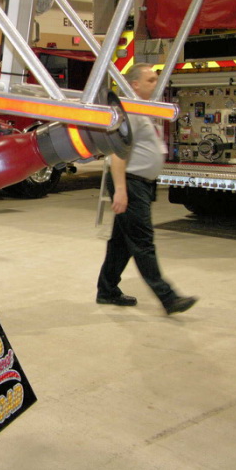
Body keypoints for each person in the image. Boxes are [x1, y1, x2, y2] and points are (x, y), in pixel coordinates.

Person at [96, 63, 197, 315]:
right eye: (150, 80)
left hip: (139, 183)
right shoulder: (129, 112)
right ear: (135, 84)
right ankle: (168, 298)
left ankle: (107, 290)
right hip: (130, 182)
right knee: (143, 242)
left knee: (121, 243)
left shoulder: (142, 110)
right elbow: (117, 153)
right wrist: (121, 190)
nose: (155, 83)